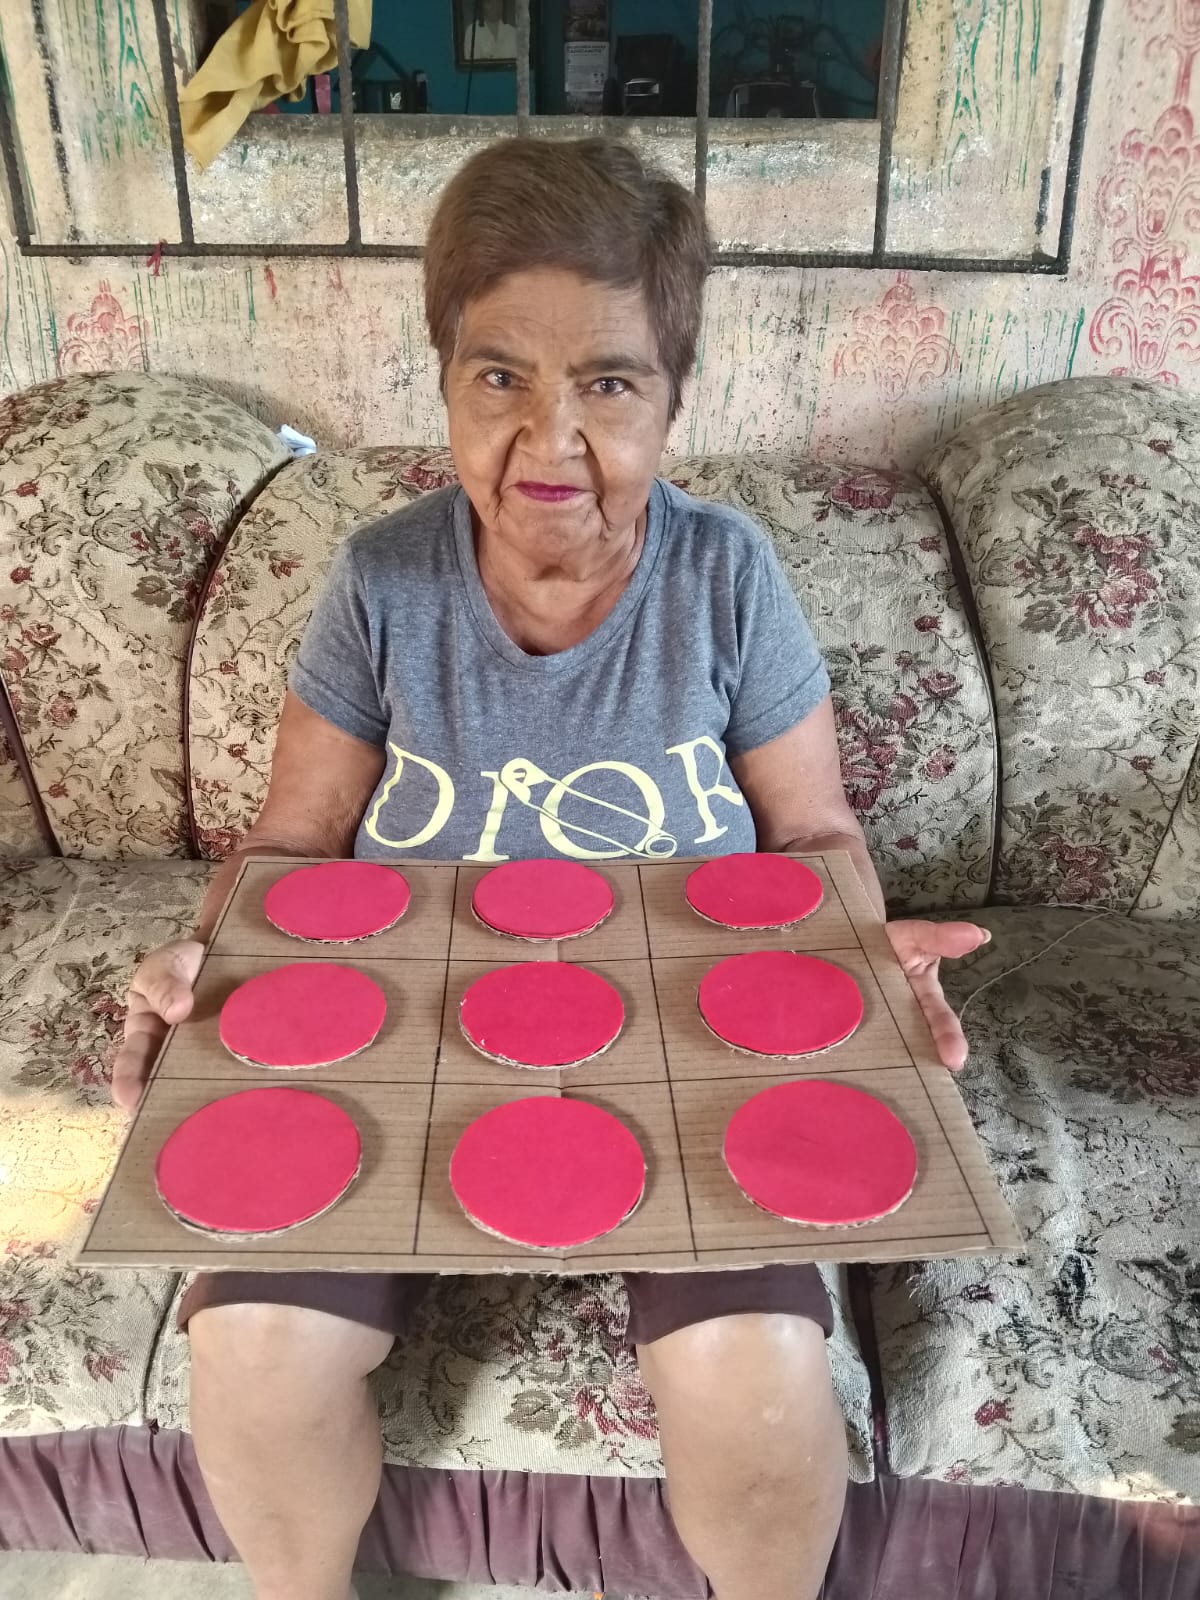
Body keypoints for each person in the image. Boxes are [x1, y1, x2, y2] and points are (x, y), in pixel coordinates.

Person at [113, 137, 989, 1600]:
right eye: (500, 376)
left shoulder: (726, 576)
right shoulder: (383, 579)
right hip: (393, 1024)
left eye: (609, 383)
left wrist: (865, 956)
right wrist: (217, 962)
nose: (550, 435)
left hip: (696, 1032)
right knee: (253, 1347)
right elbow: (294, 843)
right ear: (447, 383)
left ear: (674, 398)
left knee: (757, 1371)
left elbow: (814, 836)